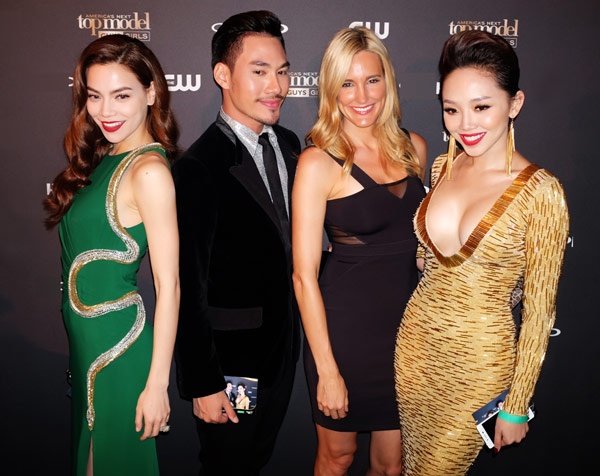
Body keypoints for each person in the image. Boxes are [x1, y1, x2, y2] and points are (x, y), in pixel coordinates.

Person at [394, 29, 569, 475]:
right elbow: (429, 261)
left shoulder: (541, 193)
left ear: (515, 104)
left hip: (478, 365)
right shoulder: (441, 167)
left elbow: (539, 311)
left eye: (481, 107)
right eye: (451, 109)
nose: (465, 124)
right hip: (415, 352)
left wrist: (517, 403)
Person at [292, 27, 427, 475]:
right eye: (347, 84)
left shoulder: (414, 149)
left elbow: (420, 246)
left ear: (388, 81)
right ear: (332, 90)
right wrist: (327, 369)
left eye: (372, 80)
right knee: (338, 457)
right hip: (344, 336)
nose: (362, 96)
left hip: (406, 335)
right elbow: (303, 276)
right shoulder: (317, 162)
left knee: (392, 465)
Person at [43, 34, 180, 476]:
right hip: (88, 348)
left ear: (151, 93)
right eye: (94, 96)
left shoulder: (149, 171)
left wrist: (157, 384)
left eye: (122, 95)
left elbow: (170, 286)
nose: (106, 111)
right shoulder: (105, 158)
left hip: (120, 351)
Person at [172, 10, 300, 476]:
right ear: (222, 75)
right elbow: (187, 286)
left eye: (282, 71)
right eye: (260, 71)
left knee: (256, 461)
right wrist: (203, 383)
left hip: (284, 349)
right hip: (231, 365)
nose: (276, 86)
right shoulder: (199, 167)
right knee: (227, 466)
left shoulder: (290, 145)